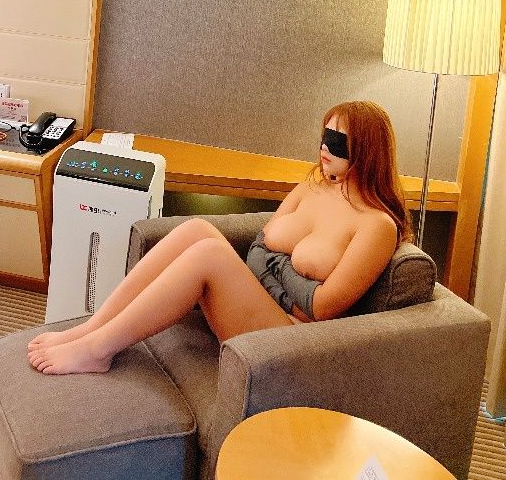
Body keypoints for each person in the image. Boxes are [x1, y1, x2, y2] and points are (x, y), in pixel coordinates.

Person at [28, 100, 413, 375]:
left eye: (338, 140)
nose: (325, 147)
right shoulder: (315, 184)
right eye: (325, 135)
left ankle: (98, 350)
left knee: (210, 253)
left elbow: (323, 307)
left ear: (367, 151)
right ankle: (91, 328)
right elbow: (261, 244)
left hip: (293, 340)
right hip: (262, 304)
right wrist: (282, 272)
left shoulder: (376, 225)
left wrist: (272, 269)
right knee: (196, 229)